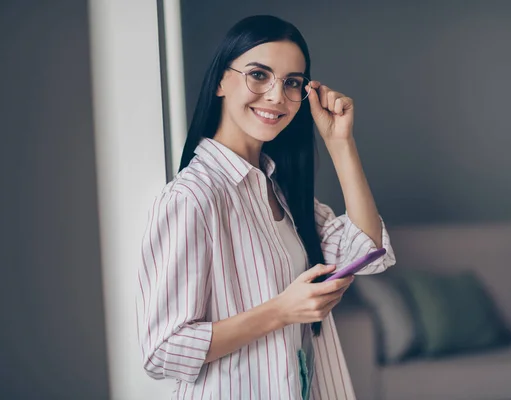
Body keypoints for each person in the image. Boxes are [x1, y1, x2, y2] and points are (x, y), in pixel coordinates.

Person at [136, 14, 395, 400]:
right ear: (222, 80)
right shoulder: (190, 198)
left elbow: (367, 251)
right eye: (259, 74)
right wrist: (282, 311)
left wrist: (341, 143)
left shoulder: (282, 191)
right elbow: (163, 351)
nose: (277, 96)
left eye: (292, 82)